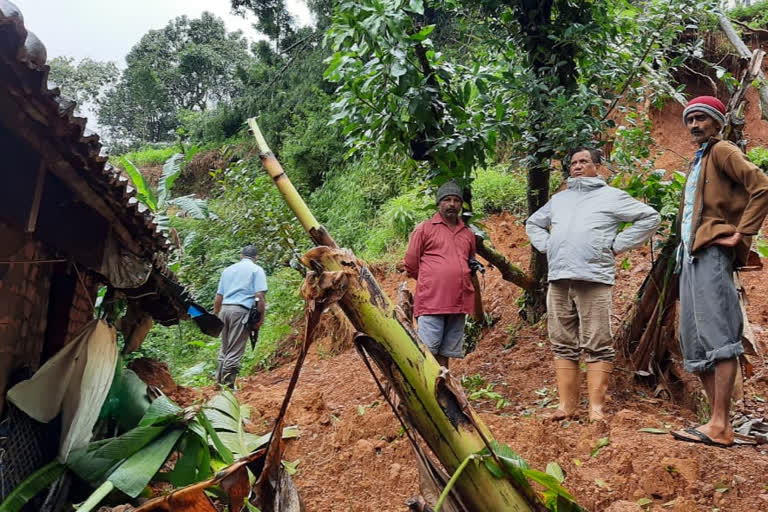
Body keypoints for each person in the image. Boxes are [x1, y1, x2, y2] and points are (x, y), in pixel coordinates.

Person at [526, 147, 660, 421]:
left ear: (598, 167)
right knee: (562, 342)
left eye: (584, 161)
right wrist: (548, 246)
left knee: (598, 343)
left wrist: (616, 245)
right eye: (573, 162)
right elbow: (533, 223)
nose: (577, 166)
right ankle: (566, 408)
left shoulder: (612, 197)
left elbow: (650, 217)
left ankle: (596, 410)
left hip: (594, 278)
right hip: (560, 278)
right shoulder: (559, 200)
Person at [670, 96, 768, 447]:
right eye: (690, 119)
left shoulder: (723, 150)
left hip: (712, 253)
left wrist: (742, 232)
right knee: (694, 340)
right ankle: (715, 422)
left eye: (702, 118)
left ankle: (721, 423)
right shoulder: (700, 160)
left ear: (717, 122)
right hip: (691, 257)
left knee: (719, 336)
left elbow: (762, 185)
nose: (695, 125)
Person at [404, 181, 476, 368]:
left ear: (461, 204)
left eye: (456, 200)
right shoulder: (425, 229)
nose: (452, 204)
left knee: (446, 354)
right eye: (447, 200)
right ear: (439, 204)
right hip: (432, 302)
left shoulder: (467, 233)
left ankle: (443, 393)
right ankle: (424, 393)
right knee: (427, 353)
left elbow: (469, 262)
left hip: (458, 304)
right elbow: (411, 263)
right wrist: (432, 280)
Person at [213, 245, 267, 388]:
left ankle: (218, 384)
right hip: (240, 311)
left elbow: (219, 295)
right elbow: (259, 296)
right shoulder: (257, 270)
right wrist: (260, 318)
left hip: (224, 309)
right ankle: (228, 387)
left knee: (224, 349)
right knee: (235, 350)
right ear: (256, 258)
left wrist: (215, 314)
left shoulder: (228, 270)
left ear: (241, 255)